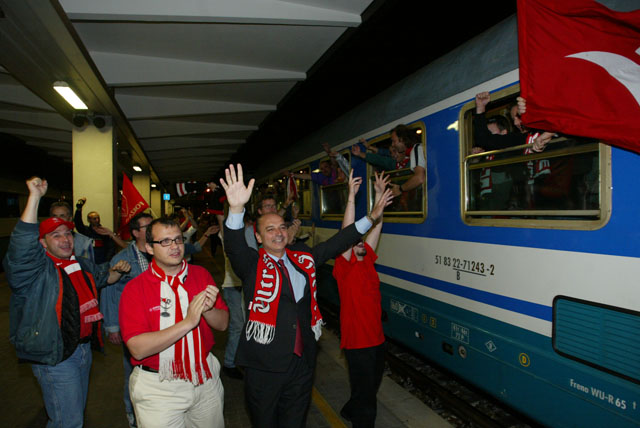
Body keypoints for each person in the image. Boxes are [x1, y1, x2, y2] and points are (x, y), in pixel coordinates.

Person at [221, 164, 393, 428]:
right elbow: (233, 246)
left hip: (301, 365)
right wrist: (235, 209)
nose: (278, 232)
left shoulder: (304, 259)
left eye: (282, 227)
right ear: (258, 237)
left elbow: (339, 242)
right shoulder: (251, 265)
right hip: (265, 367)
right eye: (270, 229)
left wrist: (371, 217)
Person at [4, 176, 131, 428]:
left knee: (73, 415)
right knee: (68, 421)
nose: (65, 240)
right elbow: (21, 247)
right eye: (55, 236)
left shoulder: (79, 263)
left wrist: (115, 273)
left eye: (67, 234)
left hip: (82, 350)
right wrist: (34, 197)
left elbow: (99, 277)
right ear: (42, 243)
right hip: (56, 356)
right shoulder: (35, 272)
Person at [119, 217, 229, 428]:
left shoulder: (200, 275)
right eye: (165, 242)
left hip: (205, 378)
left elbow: (223, 324)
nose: (175, 246)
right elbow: (138, 349)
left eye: (178, 239)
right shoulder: (135, 289)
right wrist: (188, 322)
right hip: (158, 388)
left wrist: (208, 310)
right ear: (149, 248)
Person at [334, 171, 389, 428]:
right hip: (358, 342)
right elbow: (347, 233)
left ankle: (349, 409)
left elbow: (376, 226)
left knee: (370, 385)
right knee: (367, 399)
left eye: (360, 240)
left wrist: (379, 196)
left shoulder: (367, 258)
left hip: (377, 338)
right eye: (354, 241)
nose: (359, 243)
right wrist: (351, 197)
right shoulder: (344, 268)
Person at [100, 212, 154, 428]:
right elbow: (109, 292)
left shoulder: (160, 252)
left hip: (158, 323)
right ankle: (132, 412)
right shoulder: (122, 259)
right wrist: (112, 327)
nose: (151, 230)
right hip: (133, 326)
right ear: (135, 233)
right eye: (147, 227)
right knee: (133, 372)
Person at [74, 197, 127, 263]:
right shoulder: (86, 230)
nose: (97, 220)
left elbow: (111, 247)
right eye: (94, 218)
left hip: (102, 261)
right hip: (89, 260)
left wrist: (107, 260)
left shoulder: (104, 232)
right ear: (89, 220)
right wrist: (79, 209)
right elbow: (78, 224)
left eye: (98, 218)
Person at [388, 124, 426, 197]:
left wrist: (400, 189)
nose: (392, 144)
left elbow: (420, 178)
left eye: (394, 141)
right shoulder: (415, 151)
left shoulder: (416, 149)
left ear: (402, 139)